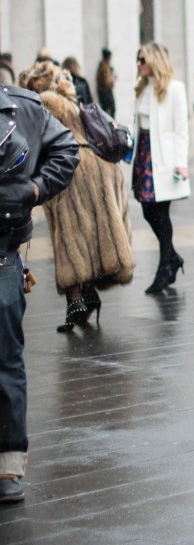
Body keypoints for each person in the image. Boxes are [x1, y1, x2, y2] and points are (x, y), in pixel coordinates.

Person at [0, 80, 79, 502]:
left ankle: (9, 464)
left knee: (6, 360)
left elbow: (66, 150)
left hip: (2, 254)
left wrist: (34, 189)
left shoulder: (22, 107)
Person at [18, 61, 135, 331]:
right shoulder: (68, 100)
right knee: (91, 234)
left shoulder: (44, 103)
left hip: (66, 168)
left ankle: (75, 302)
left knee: (68, 236)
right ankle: (89, 294)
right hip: (93, 164)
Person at [132, 43, 190, 294]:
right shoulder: (141, 87)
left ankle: (164, 270)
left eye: (142, 59)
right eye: (138, 59)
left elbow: (181, 129)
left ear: (155, 60)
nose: (139, 64)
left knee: (161, 213)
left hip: (164, 159)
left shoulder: (174, 88)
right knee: (147, 210)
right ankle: (173, 257)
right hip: (144, 154)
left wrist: (181, 162)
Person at [96, 48, 116, 117]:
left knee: (107, 109)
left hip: (105, 90)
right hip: (105, 90)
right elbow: (106, 80)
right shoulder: (104, 66)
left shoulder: (105, 65)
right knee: (110, 109)